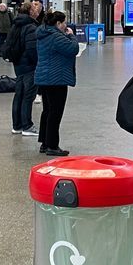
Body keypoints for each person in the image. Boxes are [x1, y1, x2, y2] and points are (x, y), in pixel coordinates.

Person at [34, 10, 76, 157]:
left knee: (47, 110)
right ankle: (52, 145)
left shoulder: (43, 33)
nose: (66, 25)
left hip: (44, 77)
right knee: (55, 112)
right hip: (56, 78)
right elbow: (73, 49)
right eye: (64, 23)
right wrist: (71, 35)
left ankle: (45, 143)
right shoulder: (56, 36)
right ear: (58, 23)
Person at [9, 2, 40, 137]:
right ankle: (27, 125)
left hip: (18, 63)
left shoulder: (16, 24)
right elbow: (32, 48)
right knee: (28, 95)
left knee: (19, 94)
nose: (37, 10)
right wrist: (37, 62)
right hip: (29, 65)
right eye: (35, 8)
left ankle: (17, 125)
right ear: (30, 12)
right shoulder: (30, 27)